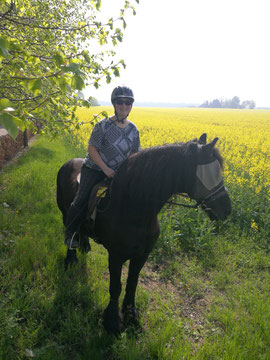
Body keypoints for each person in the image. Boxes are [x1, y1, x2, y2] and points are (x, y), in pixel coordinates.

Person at [65, 86, 140, 249]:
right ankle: (70, 236)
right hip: (94, 169)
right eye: (120, 101)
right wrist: (106, 169)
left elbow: (134, 153)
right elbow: (92, 149)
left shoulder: (134, 130)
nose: (124, 105)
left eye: (128, 102)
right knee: (81, 200)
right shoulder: (103, 125)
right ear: (114, 103)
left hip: (119, 173)